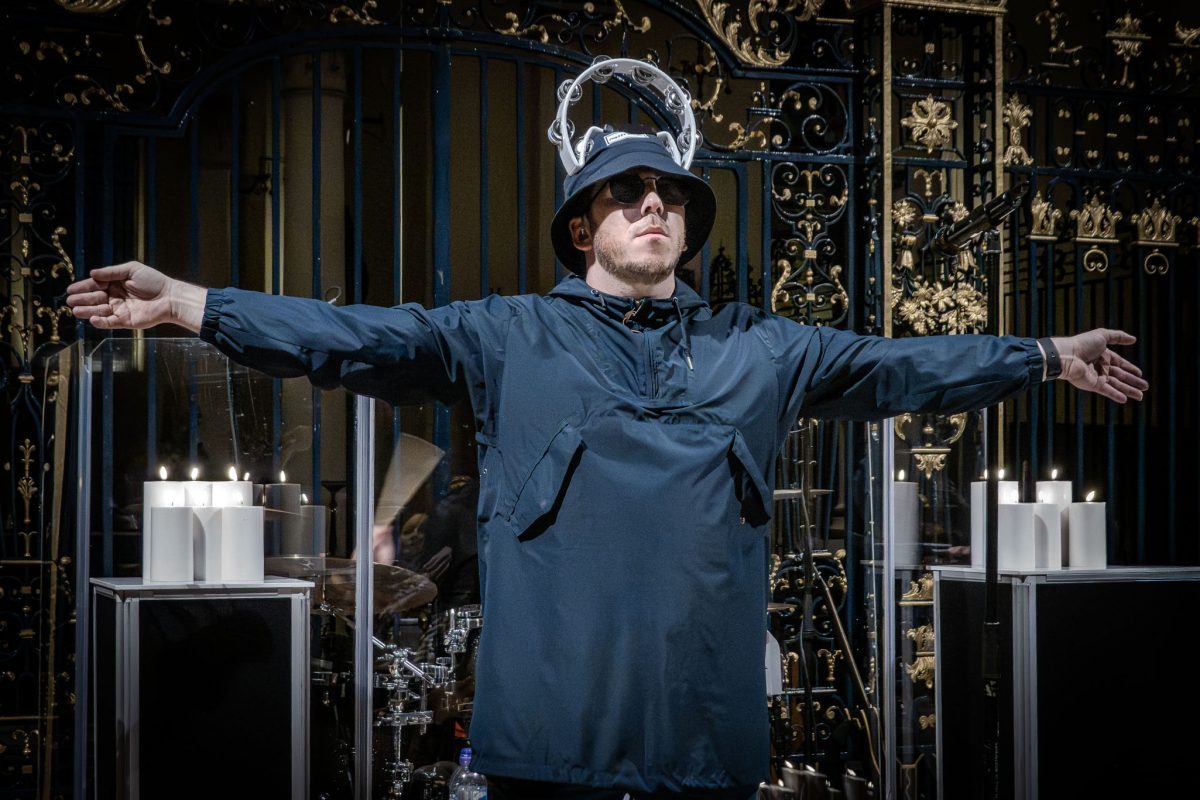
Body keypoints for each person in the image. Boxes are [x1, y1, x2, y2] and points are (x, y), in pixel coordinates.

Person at [68, 110, 1146, 798]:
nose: (653, 207)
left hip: (702, 738)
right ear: (583, 228)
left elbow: (906, 366)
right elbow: (361, 338)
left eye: (670, 195)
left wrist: (1047, 352)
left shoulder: (764, 346)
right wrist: (197, 304)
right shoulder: (507, 336)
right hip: (550, 732)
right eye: (627, 195)